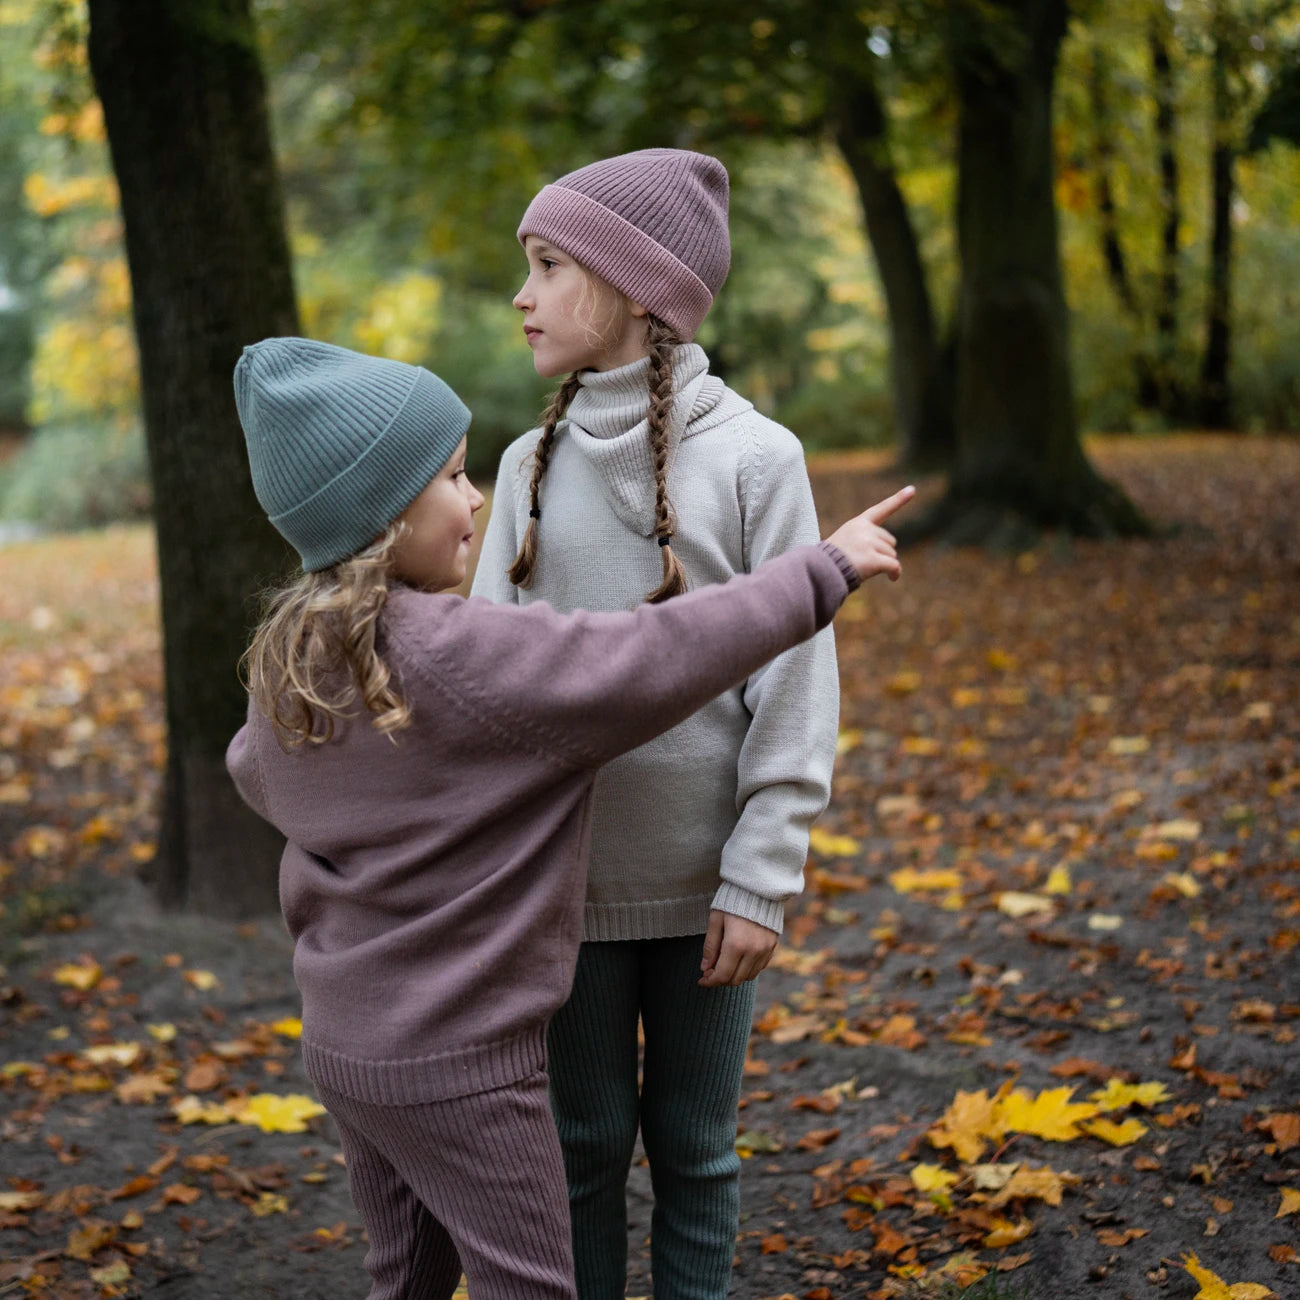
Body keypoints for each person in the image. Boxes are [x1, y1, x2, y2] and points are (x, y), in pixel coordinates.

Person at [225, 335, 914, 1300]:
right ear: (383, 515)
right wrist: (820, 571)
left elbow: (256, 775)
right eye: (454, 478)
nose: (474, 500)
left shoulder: (290, 659)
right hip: (464, 1064)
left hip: (348, 1047)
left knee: (407, 1277)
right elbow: (644, 656)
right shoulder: (463, 653)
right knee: (530, 1285)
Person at [471, 148, 842, 1298]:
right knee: (578, 1150)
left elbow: (794, 679)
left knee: (695, 1150)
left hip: (705, 900)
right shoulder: (525, 466)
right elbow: (483, 684)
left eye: (545, 266)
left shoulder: (756, 460)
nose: (521, 295)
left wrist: (761, 873)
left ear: (637, 289)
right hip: (564, 890)